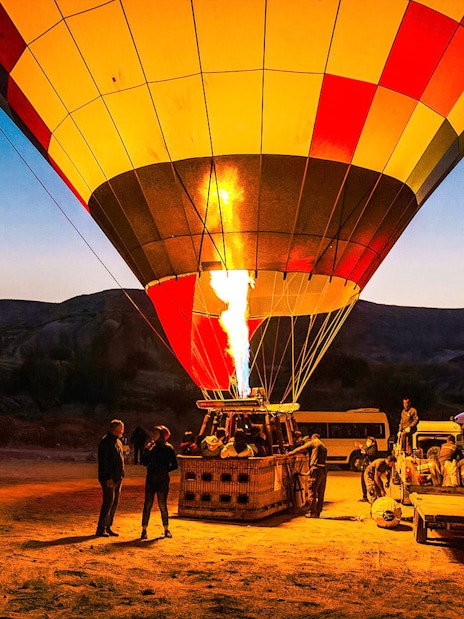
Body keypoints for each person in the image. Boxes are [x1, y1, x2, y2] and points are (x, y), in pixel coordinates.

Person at [141, 425, 178, 540]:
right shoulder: (151, 447)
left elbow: (175, 465)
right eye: (153, 433)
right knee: (148, 504)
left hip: (162, 480)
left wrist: (164, 470)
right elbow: (144, 462)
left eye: (156, 433)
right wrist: (146, 451)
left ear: (161, 435)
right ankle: (144, 530)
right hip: (151, 478)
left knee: (162, 504)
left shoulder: (168, 448)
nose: (153, 435)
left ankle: (166, 529)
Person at [96, 419, 126, 537]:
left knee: (114, 502)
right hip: (109, 478)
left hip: (118, 477)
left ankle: (108, 526)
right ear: (114, 429)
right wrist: (108, 477)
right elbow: (104, 462)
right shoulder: (106, 442)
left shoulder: (118, 442)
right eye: (120, 428)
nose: (122, 431)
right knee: (108, 502)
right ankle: (101, 528)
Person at [289, 433, 328, 518]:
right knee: (321, 493)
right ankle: (318, 512)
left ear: (312, 438)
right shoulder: (323, 446)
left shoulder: (313, 442)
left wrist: (291, 453)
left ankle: (312, 512)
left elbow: (301, 448)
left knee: (312, 491)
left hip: (315, 470)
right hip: (323, 470)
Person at [355, 436, 378, 502]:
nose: (367, 442)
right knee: (363, 482)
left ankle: (374, 496)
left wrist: (362, 447)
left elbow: (370, 454)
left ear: (373, 442)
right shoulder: (369, 448)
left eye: (369, 441)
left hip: (369, 468)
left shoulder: (373, 448)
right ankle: (365, 496)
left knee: (370, 483)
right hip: (365, 467)